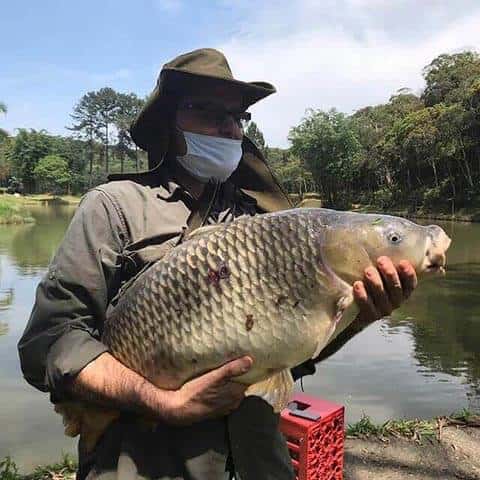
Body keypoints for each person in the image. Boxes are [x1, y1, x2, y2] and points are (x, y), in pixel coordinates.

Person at [18, 48, 417, 480]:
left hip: (258, 463)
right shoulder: (112, 208)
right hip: (144, 465)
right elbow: (48, 343)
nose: (228, 127)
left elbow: (289, 356)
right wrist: (162, 402)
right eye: (207, 112)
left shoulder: (264, 225)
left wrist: (358, 313)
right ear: (169, 122)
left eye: (237, 116)